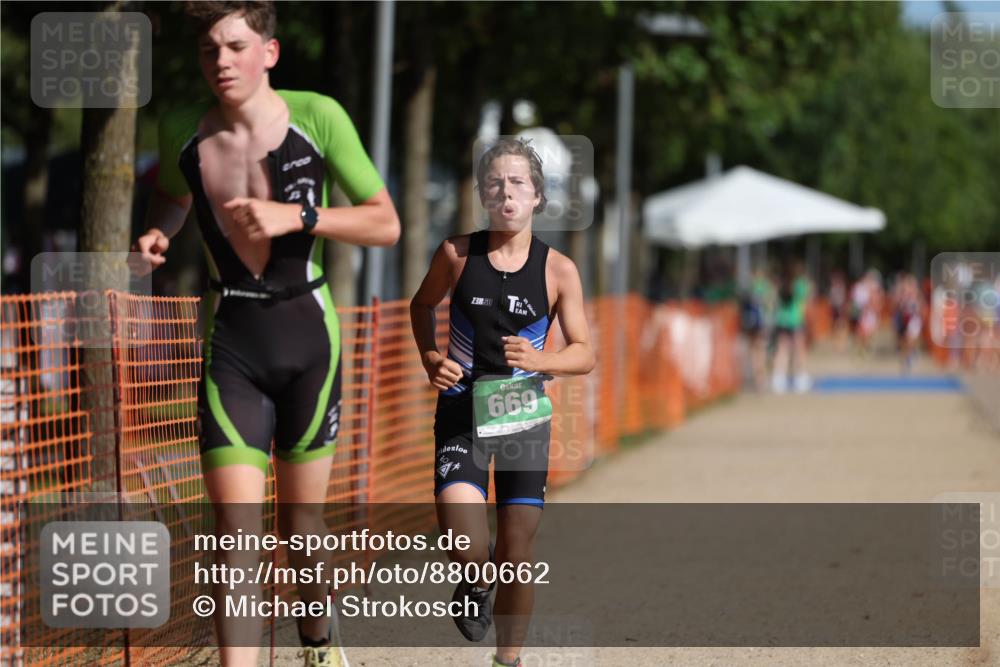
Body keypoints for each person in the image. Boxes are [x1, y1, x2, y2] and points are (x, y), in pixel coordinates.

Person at [130, 3, 400, 666]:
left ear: (269, 53)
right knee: (234, 533)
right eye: (209, 50)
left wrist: (298, 216)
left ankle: (317, 643)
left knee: (300, 528)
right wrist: (160, 229)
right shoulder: (180, 127)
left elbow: (384, 223)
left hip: (309, 339)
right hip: (233, 342)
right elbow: (174, 194)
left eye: (236, 46)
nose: (221, 61)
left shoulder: (318, 116)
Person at [410, 138, 594, 667]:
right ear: (481, 194)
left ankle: (506, 660)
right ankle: (475, 578)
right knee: (464, 543)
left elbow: (584, 353)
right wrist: (430, 356)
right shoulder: (455, 254)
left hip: (521, 414)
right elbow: (422, 305)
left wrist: (542, 360)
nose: (506, 192)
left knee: (517, 552)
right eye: (494, 183)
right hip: (462, 409)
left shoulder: (558, 270)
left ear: (538, 196)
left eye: (517, 183)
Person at [770, 259, 812, 394]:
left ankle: (778, 379)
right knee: (799, 350)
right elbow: (806, 299)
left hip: (782, 321)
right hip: (795, 321)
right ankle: (801, 379)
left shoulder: (781, 284)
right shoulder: (799, 284)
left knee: (782, 350)